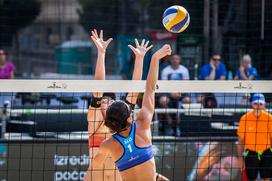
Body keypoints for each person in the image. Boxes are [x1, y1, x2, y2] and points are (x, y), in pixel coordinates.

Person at [88, 44, 172, 181]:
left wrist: (140, 59)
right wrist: (155, 59)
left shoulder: (108, 144)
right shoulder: (141, 125)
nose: (108, 102)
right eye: (106, 101)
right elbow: (150, 89)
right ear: (129, 117)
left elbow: (136, 90)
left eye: (111, 101)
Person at [237, 93, 272, 181]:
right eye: (256, 103)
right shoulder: (245, 118)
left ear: (264, 105)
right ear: (252, 104)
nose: (258, 106)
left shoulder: (269, 118)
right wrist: (240, 159)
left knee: (266, 178)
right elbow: (240, 141)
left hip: (267, 152)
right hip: (251, 153)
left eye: (260, 104)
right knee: (252, 179)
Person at [158, 54, 190, 136]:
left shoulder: (184, 70)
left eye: (177, 59)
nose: (175, 60)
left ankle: (180, 121)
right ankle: (169, 121)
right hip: (168, 92)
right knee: (163, 100)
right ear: (170, 60)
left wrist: (180, 93)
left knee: (187, 100)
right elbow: (164, 85)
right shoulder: (165, 70)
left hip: (181, 92)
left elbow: (186, 85)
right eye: (173, 59)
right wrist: (171, 93)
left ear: (179, 60)